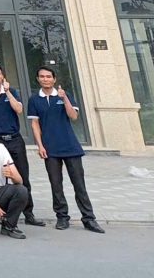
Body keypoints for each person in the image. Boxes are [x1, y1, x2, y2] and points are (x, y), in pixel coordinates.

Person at [28, 67, 104, 233]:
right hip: (50, 148)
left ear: (54, 79)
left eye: (49, 76)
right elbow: (35, 124)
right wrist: (40, 145)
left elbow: (73, 116)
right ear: (38, 79)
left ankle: (89, 218)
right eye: (42, 76)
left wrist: (64, 99)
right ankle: (62, 217)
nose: (45, 79)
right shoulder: (34, 99)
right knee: (56, 185)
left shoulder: (64, 95)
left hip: (70, 146)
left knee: (79, 184)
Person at [0, 62, 43, 227]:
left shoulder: (12, 92)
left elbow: (19, 109)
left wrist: (7, 91)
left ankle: (28, 213)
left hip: (15, 140)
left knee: (22, 177)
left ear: (3, 76)